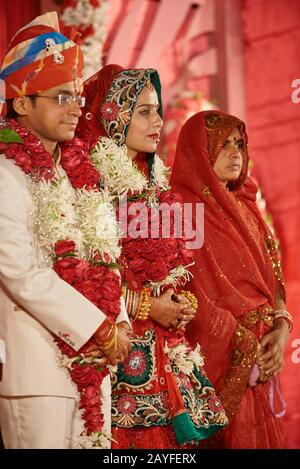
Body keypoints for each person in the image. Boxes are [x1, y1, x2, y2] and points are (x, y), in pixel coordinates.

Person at [75, 65, 228, 449]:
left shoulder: (157, 186)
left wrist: (180, 303)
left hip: (165, 354)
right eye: (143, 111)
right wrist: (146, 305)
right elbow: (84, 275)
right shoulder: (90, 185)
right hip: (117, 352)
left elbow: (170, 271)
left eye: (157, 111)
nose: (158, 122)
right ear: (115, 115)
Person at [0, 13, 131, 449]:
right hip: (38, 373)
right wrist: (99, 328)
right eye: (60, 97)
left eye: (76, 95)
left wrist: (119, 323)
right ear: (22, 103)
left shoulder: (81, 177)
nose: (77, 107)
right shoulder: (6, 174)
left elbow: (106, 258)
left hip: (98, 367)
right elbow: (22, 273)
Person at [170, 110, 292, 448]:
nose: (236, 153)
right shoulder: (179, 209)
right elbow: (186, 292)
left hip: (262, 354)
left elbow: (273, 279)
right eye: (223, 145)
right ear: (199, 149)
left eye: (239, 143)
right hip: (221, 358)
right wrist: (243, 343)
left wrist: (281, 329)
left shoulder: (246, 206)